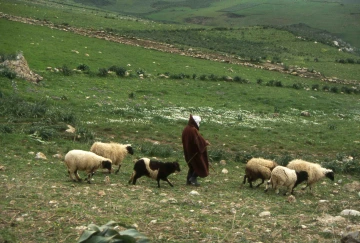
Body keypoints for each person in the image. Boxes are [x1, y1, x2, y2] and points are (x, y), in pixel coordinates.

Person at [182, 114, 210, 186]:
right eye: (198, 122)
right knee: (200, 165)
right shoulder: (193, 130)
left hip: (188, 151)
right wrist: (205, 143)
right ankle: (193, 179)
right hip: (194, 152)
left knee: (192, 166)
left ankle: (188, 180)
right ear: (195, 122)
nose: (199, 124)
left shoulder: (186, 128)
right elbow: (197, 140)